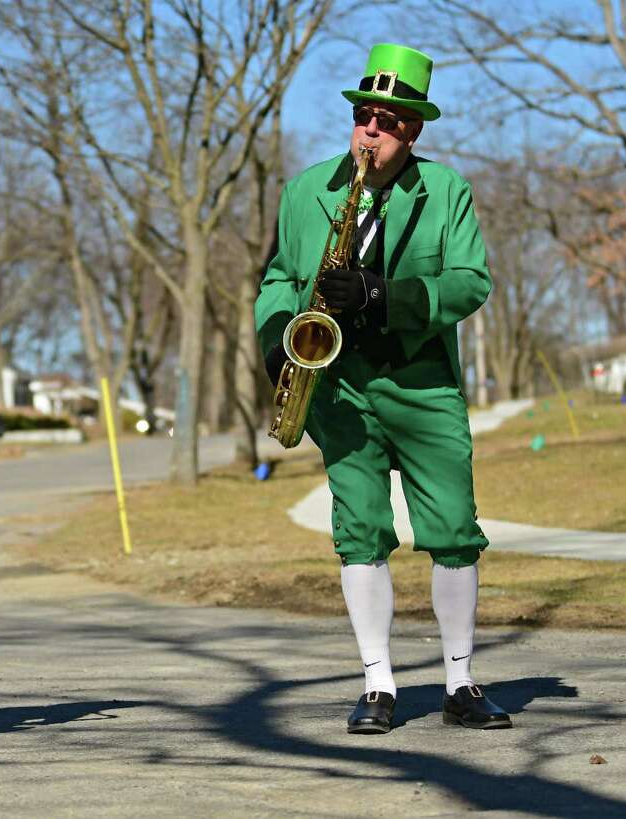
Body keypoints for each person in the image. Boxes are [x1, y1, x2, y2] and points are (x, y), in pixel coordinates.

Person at [255, 44, 511, 734]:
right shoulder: (307, 191)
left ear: (413, 132)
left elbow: (470, 282)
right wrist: (278, 330)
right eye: (364, 116)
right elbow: (278, 276)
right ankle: (378, 684)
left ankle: (460, 679)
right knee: (359, 530)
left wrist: (381, 293)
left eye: (388, 122)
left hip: (421, 380)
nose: (371, 131)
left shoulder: (447, 192)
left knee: (454, 528)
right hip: (337, 383)